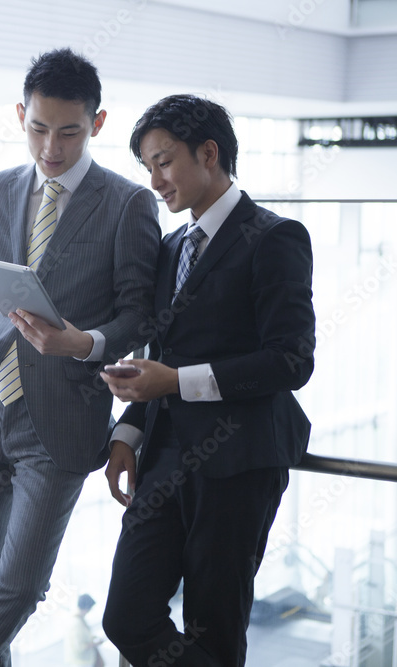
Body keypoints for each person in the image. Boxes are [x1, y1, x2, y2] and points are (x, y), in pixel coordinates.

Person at [0, 47, 161, 667]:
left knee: (18, 587)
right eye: (38, 128)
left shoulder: (129, 203)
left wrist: (81, 343)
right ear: (20, 115)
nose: (51, 147)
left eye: (70, 132)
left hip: (58, 422)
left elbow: (141, 314)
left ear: (98, 124)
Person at [99, 94, 315, 667]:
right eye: (147, 167)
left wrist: (175, 381)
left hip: (239, 462)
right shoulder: (172, 247)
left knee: (213, 628)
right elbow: (160, 355)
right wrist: (128, 433)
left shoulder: (274, 238)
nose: (155, 180)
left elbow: (292, 360)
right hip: (166, 459)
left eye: (164, 162)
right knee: (126, 614)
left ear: (209, 153)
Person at [63, 594, 104, 667]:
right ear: (87, 607)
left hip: (83, 661)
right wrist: (96, 643)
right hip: (81, 662)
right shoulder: (76, 623)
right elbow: (80, 647)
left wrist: (92, 637)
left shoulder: (79, 619)